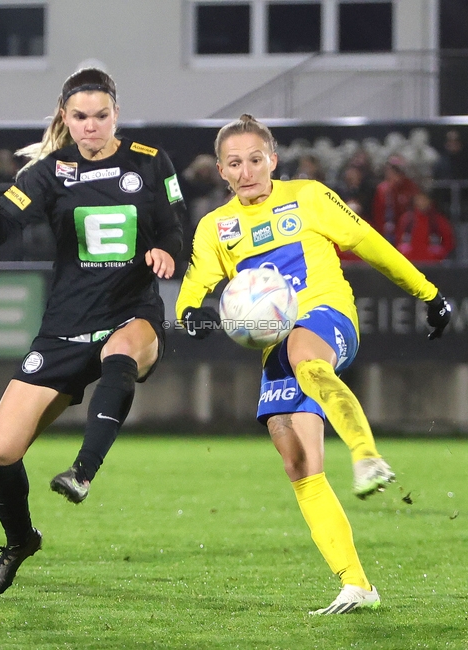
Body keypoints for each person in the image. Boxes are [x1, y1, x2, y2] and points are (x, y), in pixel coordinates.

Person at [175, 115, 452, 614]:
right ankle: (357, 585)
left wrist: (427, 293)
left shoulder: (308, 195)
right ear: (221, 170)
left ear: (272, 160)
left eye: (255, 159)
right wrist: (189, 314)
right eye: (235, 163)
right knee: (297, 462)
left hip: (327, 316)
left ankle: (368, 456)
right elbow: (195, 285)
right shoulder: (215, 227)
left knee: (306, 355)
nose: (247, 171)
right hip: (274, 343)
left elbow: (368, 242)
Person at [0, 67, 184, 597]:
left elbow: (177, 229)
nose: (92, 127)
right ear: (65, 117)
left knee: (122, 352)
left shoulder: (151, 163)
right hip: (65, 326)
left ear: (117, 114)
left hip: (131, 310)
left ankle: (83, 471)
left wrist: (167, 252)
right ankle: (20, 542)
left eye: (102, 116)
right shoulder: (44, 173)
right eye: (81, 117)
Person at [394, 191, 454, 263]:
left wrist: (439, 253)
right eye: (419, 199)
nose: (421, 202)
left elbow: (448, 242)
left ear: (430, 201)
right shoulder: (406, 219)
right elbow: (398, 240)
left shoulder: (438, 221)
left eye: (424, 199)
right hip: (410, 263)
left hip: (433, 264)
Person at [370, 156, 420, 242]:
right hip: (385, 231)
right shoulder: (382, 189)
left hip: (405, 231)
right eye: (390, 171)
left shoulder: (410, 187)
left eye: (396, 171)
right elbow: (377, 212)